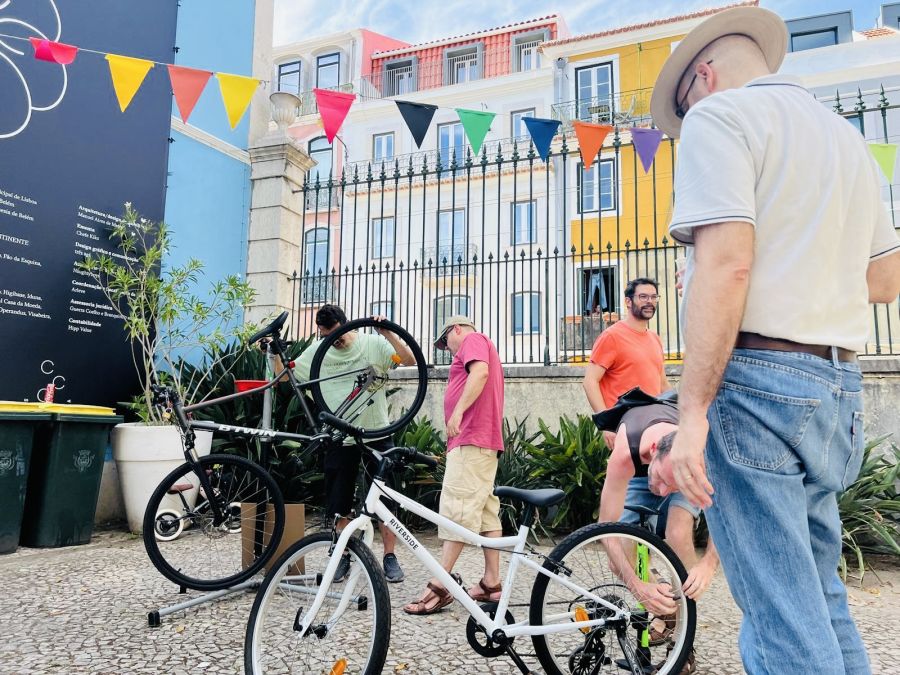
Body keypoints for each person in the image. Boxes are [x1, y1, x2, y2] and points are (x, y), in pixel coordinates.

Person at [649, 6, 900, 674]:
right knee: (819, 597)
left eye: (685, 106)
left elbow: (728, 264)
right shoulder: (845, 139)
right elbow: (885, 280)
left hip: (756, 383)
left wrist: (694, 413)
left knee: (780, 622)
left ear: (702, 76)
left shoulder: (718, 117)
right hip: (837, 387)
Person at [283, 304, 416, 583]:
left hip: (376, 432)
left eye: (337, 334)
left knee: (385, 496)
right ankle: (342, 554)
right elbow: (287, 375)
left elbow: (407, 360)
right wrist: (275, 354)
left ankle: (389, 556)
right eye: (327, 335)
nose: (335, 340)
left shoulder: (373, 344)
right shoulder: (319, 349)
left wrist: (387, 332)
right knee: (338, 499)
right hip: (339, 436)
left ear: (347, 325)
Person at [596, 394, 719, 674]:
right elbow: (605, 530)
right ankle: (668, 607)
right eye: (662, 481)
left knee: (677, 530)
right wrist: (639, 587)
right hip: (638, 476)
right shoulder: (625, 452)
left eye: (669, 487)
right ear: (653, 449)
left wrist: (708, 564)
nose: (662, 493)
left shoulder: (699, 455)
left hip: (682, 472)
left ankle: (683, 645)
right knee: (619, 558)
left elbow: (729, 515)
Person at [404, 316, 505, 615]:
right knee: (487, 515)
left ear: (456, 330)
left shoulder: (473, 340)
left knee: (455, 512)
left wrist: (458, 412)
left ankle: (439, 585)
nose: (447, 350)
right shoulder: (481, 344)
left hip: (471, 438)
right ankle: (492, 583)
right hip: (482, 440)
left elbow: (481, 373)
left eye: (445, 342)